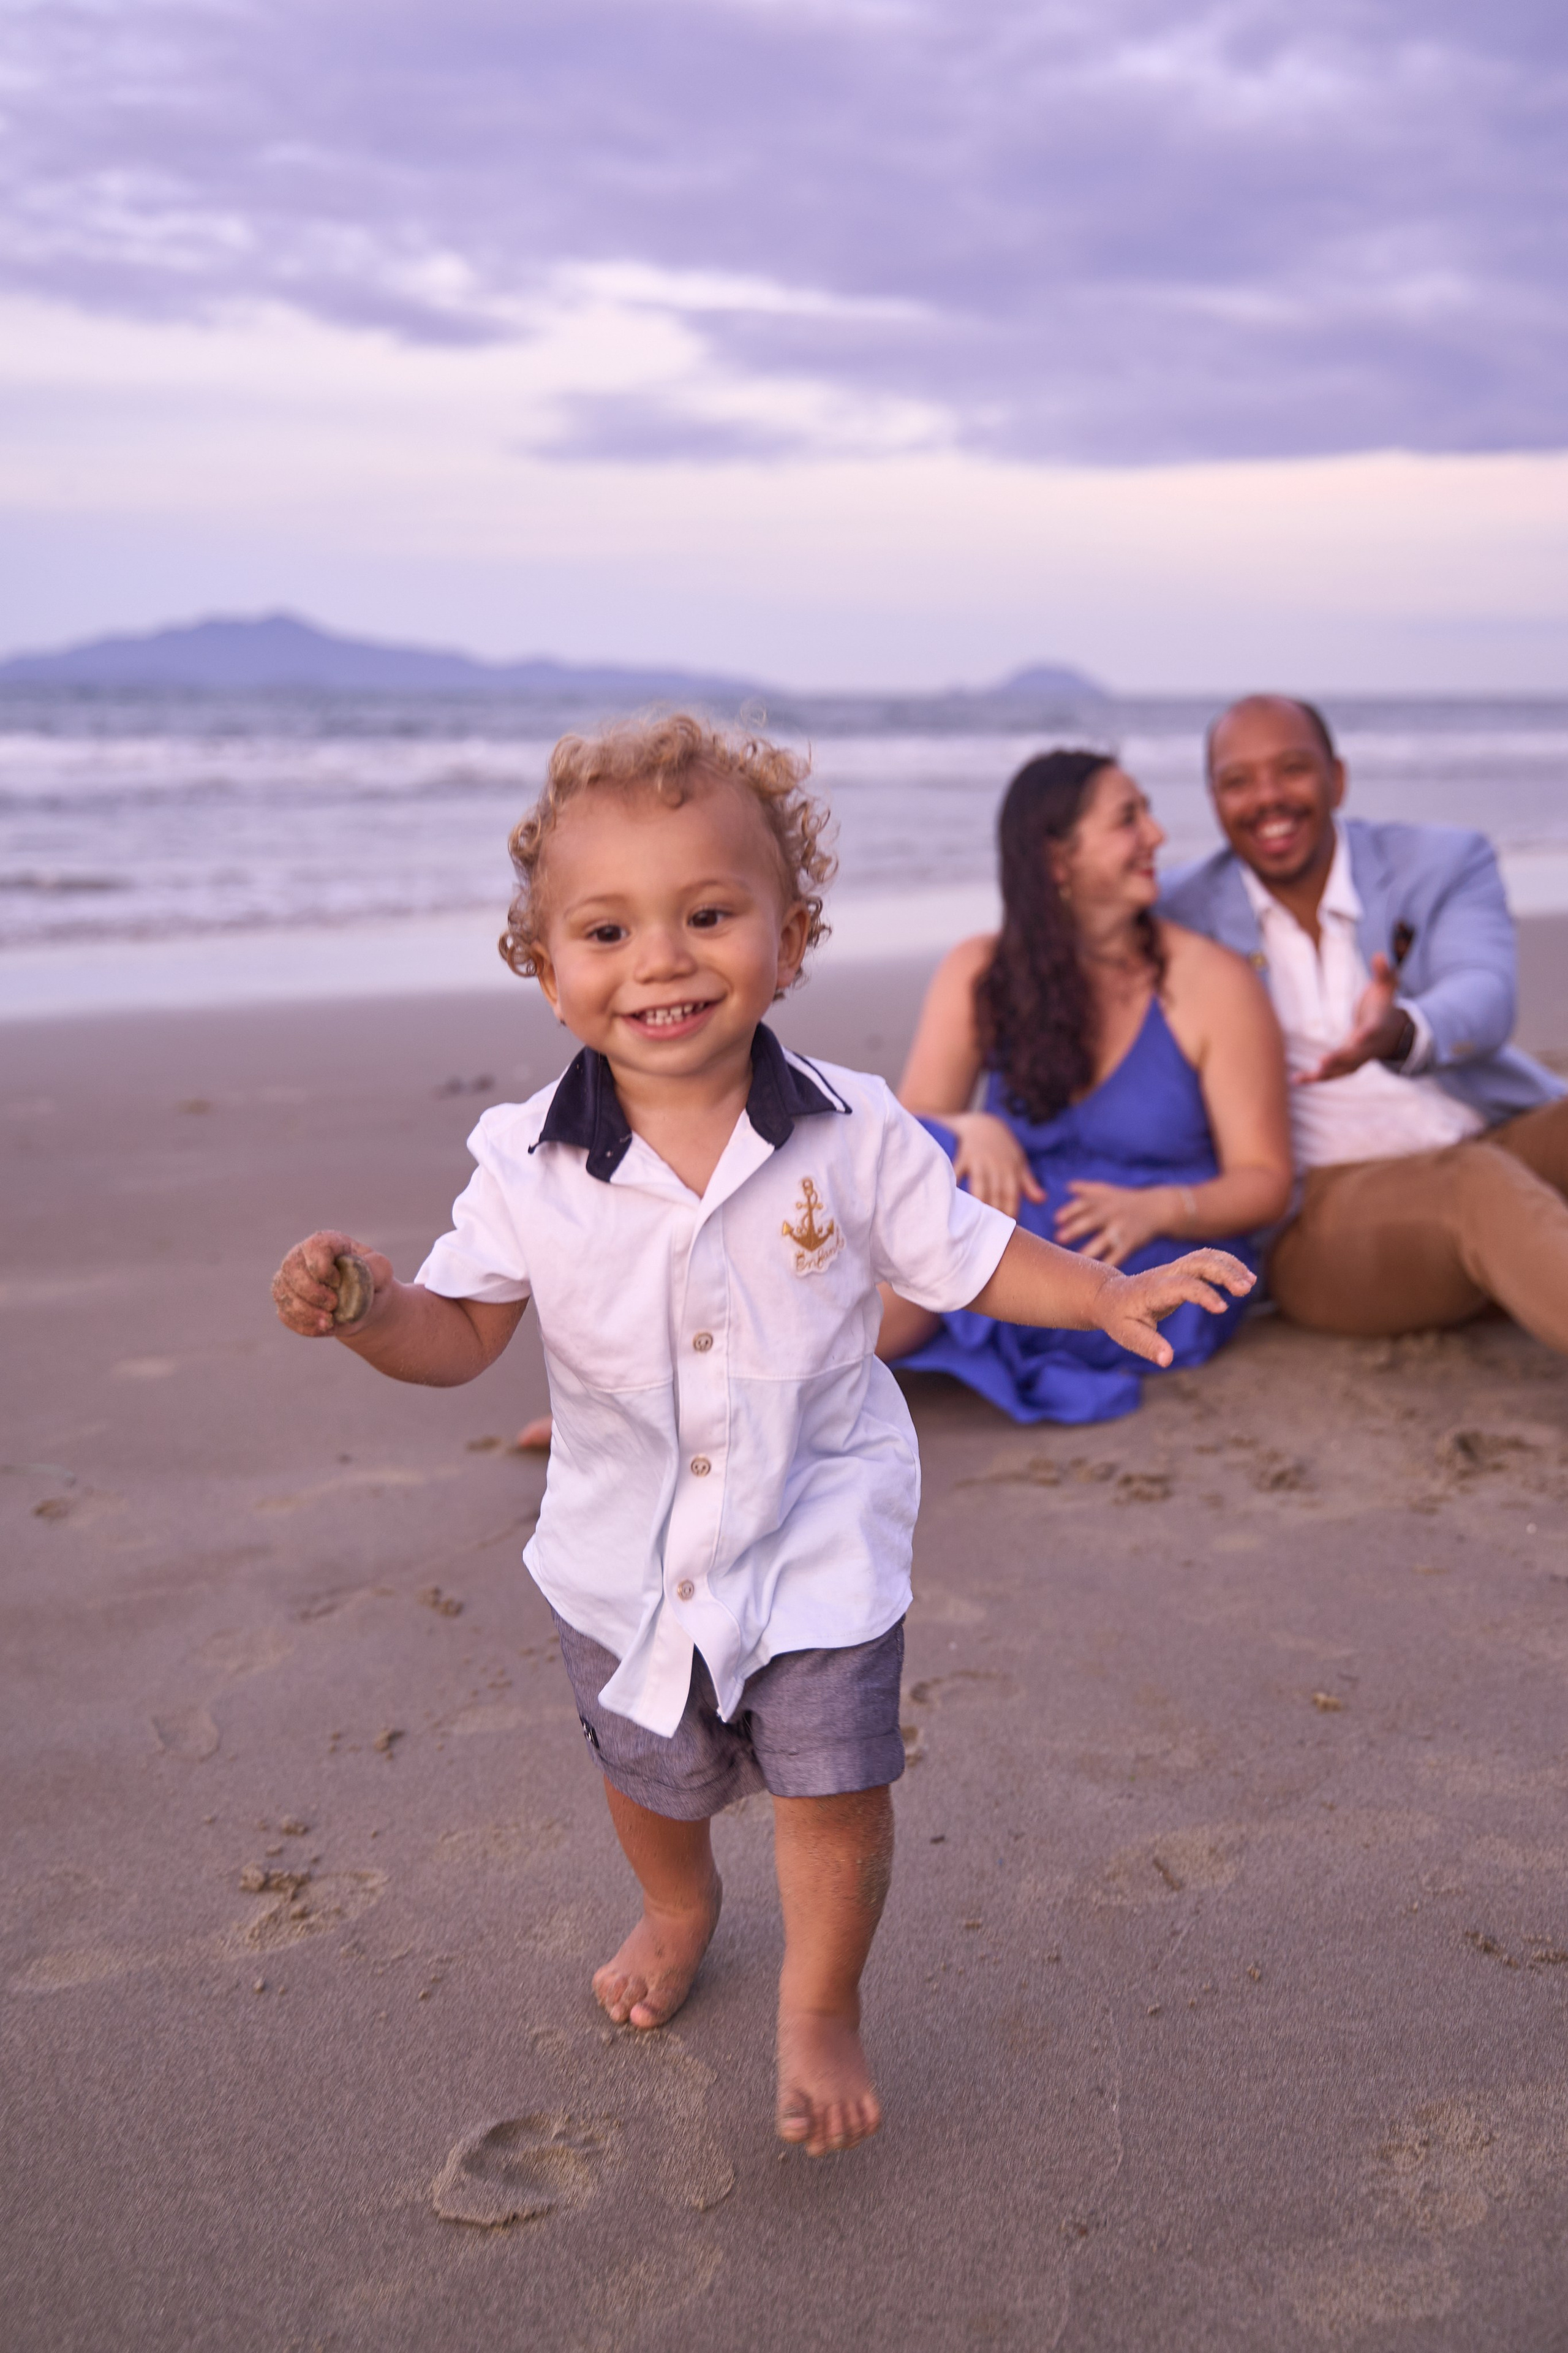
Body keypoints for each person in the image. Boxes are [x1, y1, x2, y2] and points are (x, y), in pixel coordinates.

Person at [270, 716, 1253, 2158]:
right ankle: (678, 1908)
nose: (661, 959)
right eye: (607, 930)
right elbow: (459, 1332)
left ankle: (819, 2003)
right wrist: (370, 1309)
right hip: (620, 1556)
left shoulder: (854, 1129)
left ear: (788, 941)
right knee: (647, 1781)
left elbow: (970, 1255)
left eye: (709, 914)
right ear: (547, 971)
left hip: (817, 1529)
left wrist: (1100, 1292)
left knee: (837, 1791)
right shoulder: (523, 1161)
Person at [878, 749, 1291, 1422]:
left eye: (1147, 814)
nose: (1156, 835)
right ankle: (783, 1367)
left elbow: (1266, 1179)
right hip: (1014, 1230)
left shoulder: (1212, 983)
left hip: (1143, 1255)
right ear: (1057, 858)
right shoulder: (981, 969)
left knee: (949, 1237)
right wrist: (974, 1126)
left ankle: (791, 1376)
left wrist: (1162, 1209)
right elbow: (905, 1135)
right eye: (1128, 819)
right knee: (924, 1161)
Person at [1158, 694, 1568, 1344]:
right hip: (1328, 1214)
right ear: (1214, 800)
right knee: (1474, 1187)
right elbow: (1055, 933)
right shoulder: (1176, 911)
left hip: (1490, 1133)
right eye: (1237, 782)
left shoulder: (1441, 862)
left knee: (1490, 1172)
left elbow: (1484, 994)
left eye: (1292, 769)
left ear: (1338, 778)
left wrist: (1400, 1030)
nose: (1267, 798)